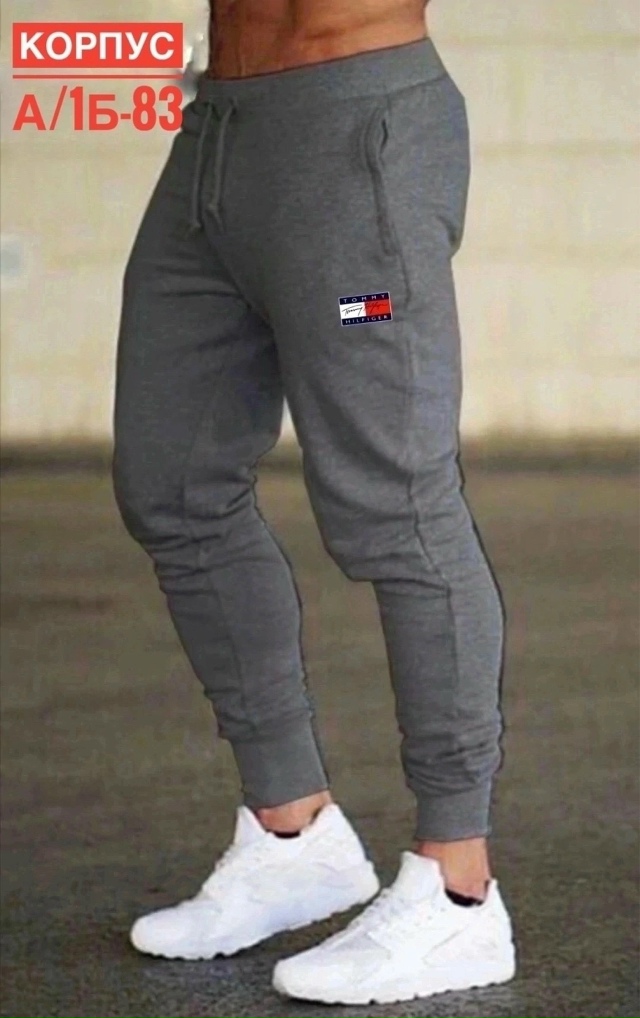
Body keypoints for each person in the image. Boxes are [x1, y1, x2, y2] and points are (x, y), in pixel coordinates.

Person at [112, 0, 516, 1005]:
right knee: (172, 483)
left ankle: (458, 887)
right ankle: (292, 835)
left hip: (353, 136)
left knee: (396, 510)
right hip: (217, 138)